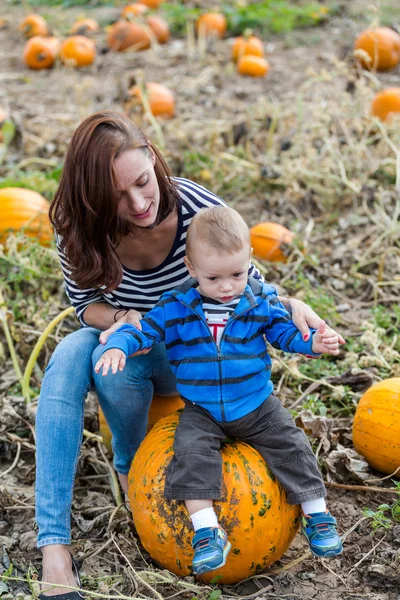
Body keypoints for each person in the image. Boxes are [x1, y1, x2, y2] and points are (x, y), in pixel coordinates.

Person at [36, 111, 344, 598]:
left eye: (142, 182)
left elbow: (245, 283)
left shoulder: (197, 208)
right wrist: (121, 323)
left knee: (112, 362)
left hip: (197, 368)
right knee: (72, 356)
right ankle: (55, 545)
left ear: (153, 160)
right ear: (93, 197)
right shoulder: (78, 228)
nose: (138, 203)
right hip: (132, 347)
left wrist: (291, 304)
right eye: (117, 196)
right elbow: (84, 305)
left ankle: (133, 464)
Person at [94, 205, 344, 576]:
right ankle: (208, 532)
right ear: (191, 268)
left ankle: (317, 515)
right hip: (202, 408)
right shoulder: (177, 307)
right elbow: (143, 329)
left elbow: (284, 335)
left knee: (292, 446)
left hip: (256, 404)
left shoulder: (259, 302)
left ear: (249, 262)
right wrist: (120, 345)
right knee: (190, 456)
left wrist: (313, 344)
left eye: (236, 274)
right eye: (214, 278)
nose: (227, 287)